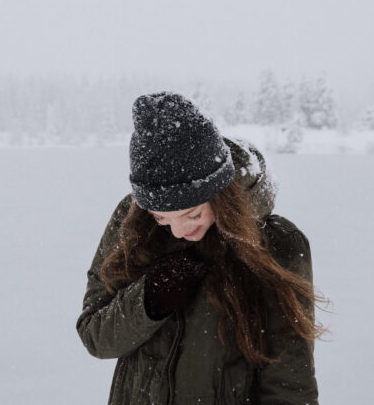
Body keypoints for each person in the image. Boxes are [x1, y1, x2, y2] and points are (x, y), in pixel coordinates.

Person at [77, 92, 325, 405]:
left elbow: (290, 386)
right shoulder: (132, 222)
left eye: (193, 214)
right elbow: (95, 337)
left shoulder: (276, 244)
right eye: (161, 217)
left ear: (222, 195)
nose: (180, 229)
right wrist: (148, 300)